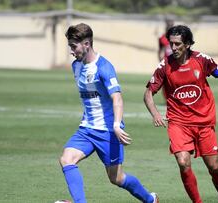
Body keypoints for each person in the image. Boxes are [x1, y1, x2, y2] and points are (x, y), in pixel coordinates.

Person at [60, 23, 159, 203]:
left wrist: (116, 125)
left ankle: (150, 200)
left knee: (117, 179)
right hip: (87, 129)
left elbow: (117, 98)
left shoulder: (104, 67)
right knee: (67, 159)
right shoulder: (76, 66)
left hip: (108, 132)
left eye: (74, 46)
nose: (71, 51)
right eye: (70, 47)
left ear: (87, 44)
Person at [144, 25, 218, 203]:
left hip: (204, 122)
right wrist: (155, 113)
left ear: (187, 44)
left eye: (177, 44)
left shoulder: (202, 60)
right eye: (171, 44)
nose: (173, 48)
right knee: (182, 161)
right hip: (178, 123)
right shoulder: (165, 65)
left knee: (214, 167)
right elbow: (148, 93)